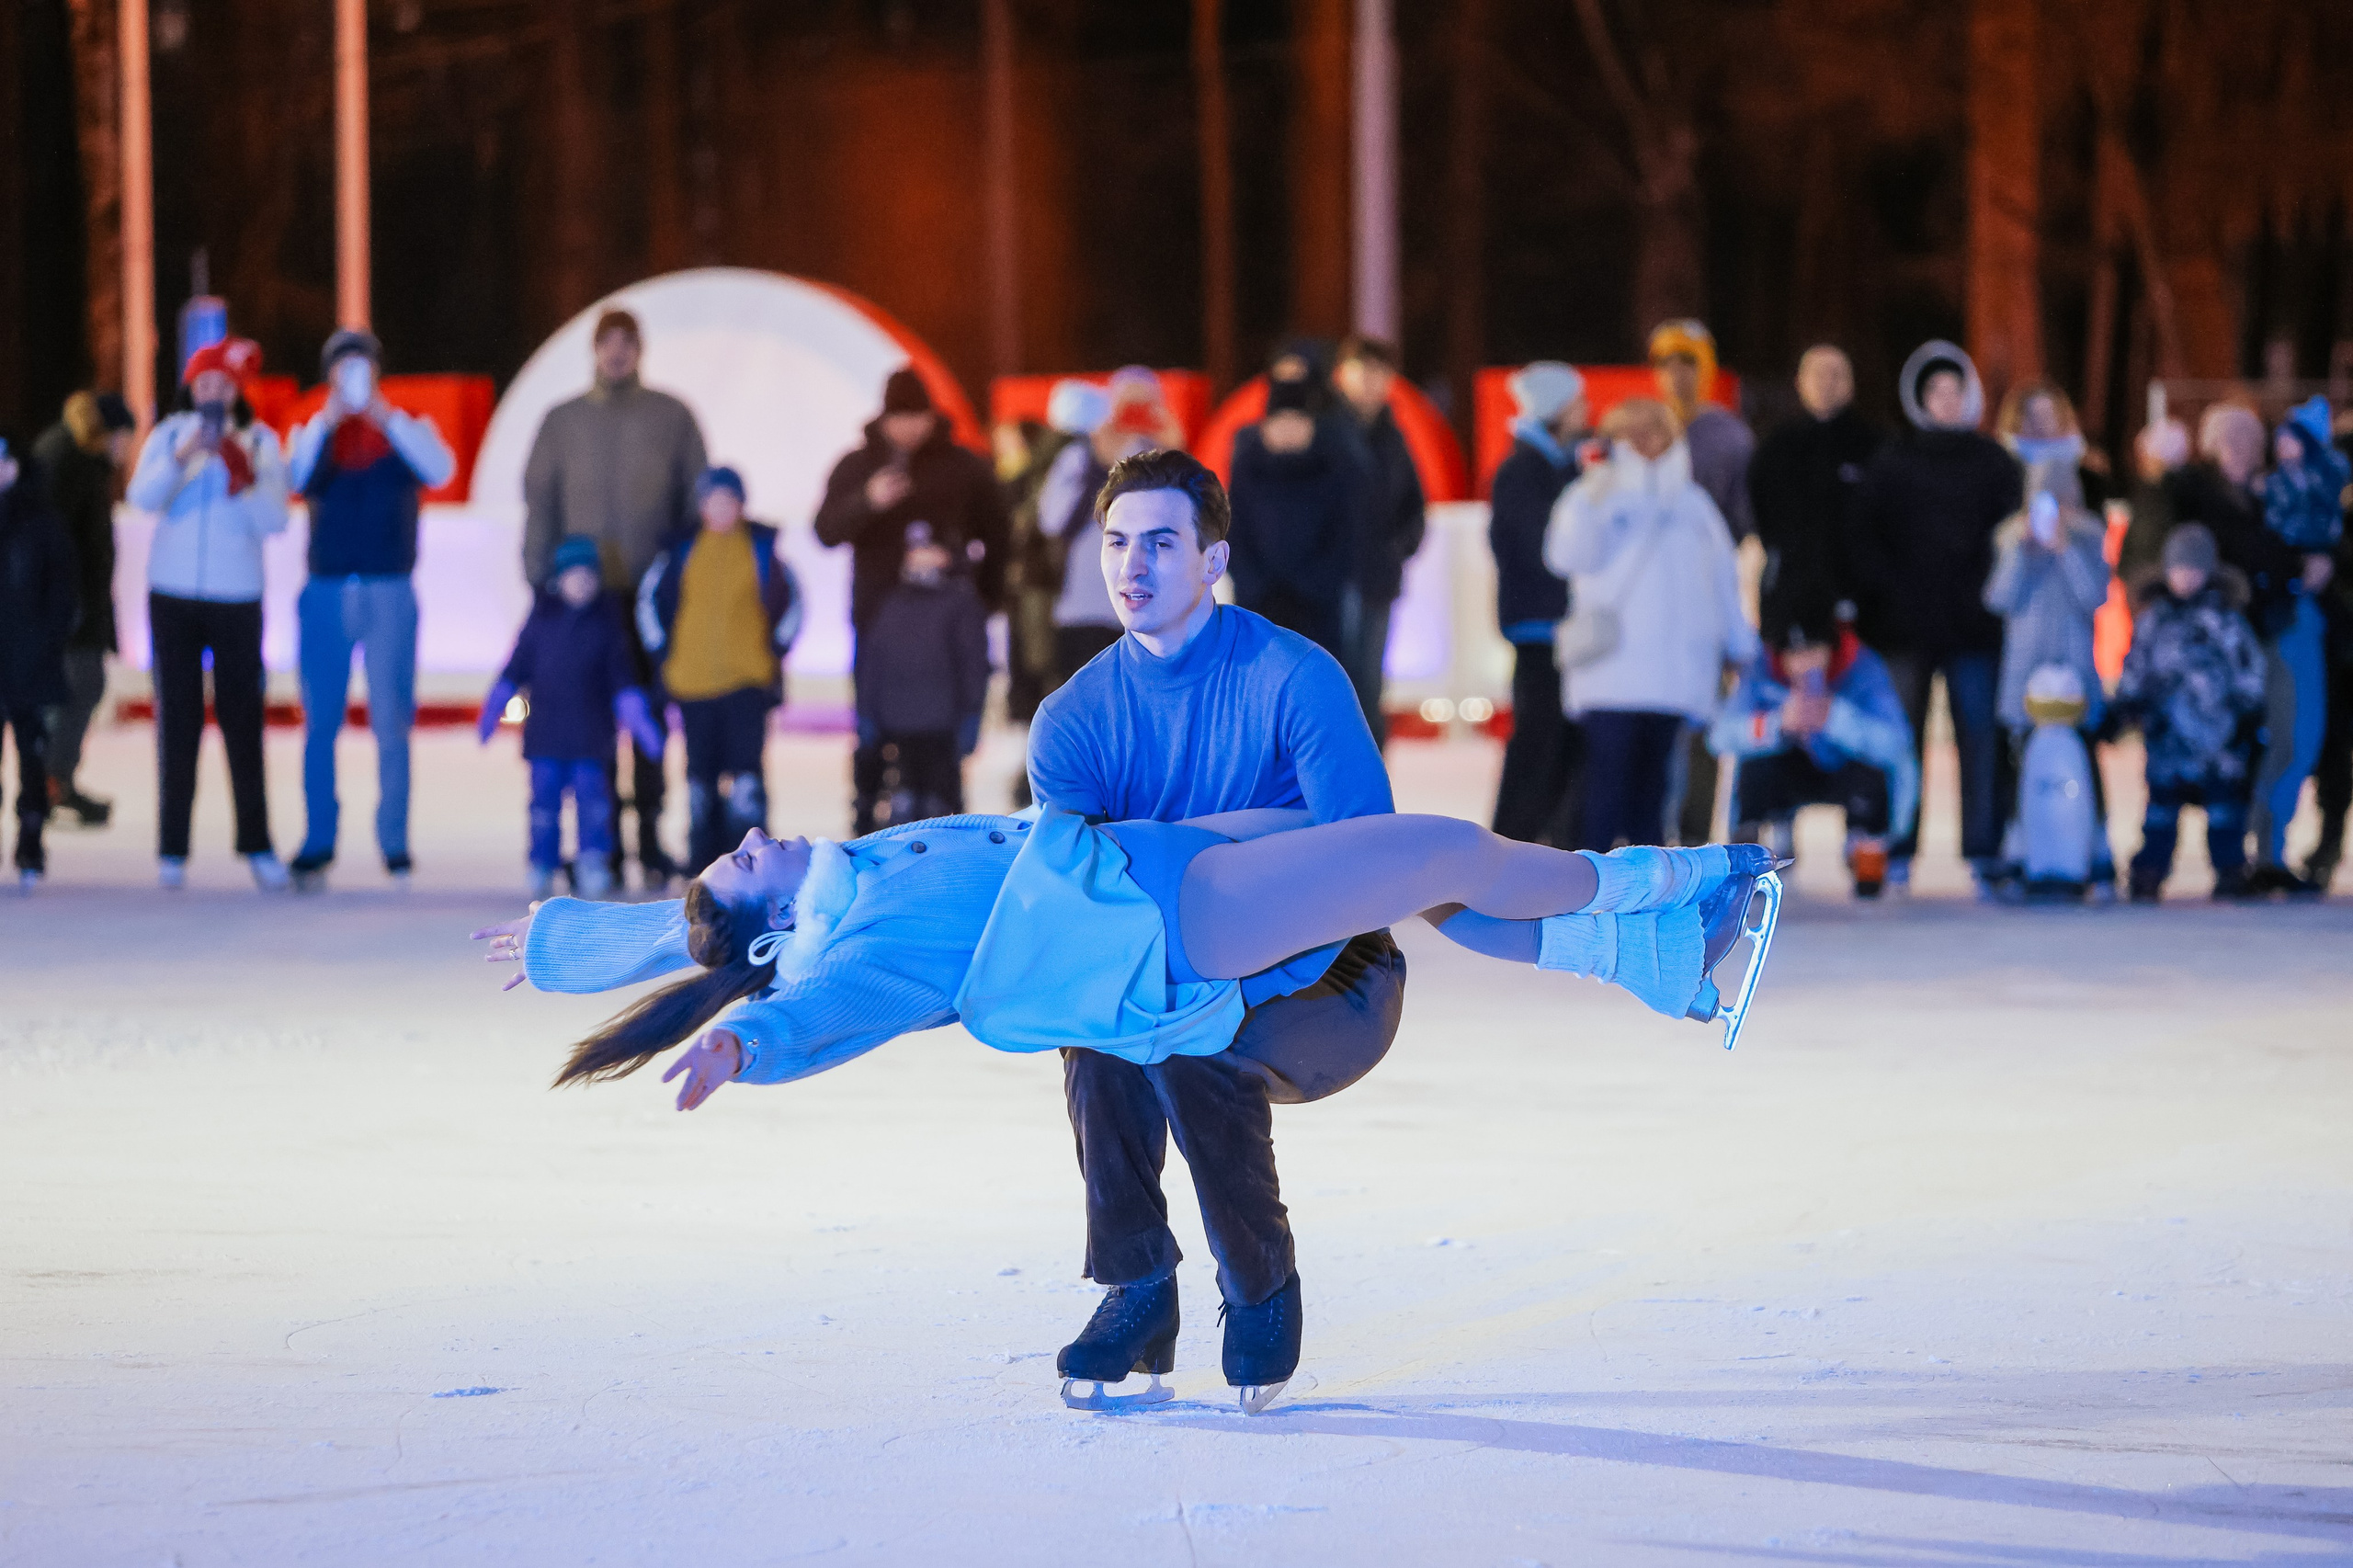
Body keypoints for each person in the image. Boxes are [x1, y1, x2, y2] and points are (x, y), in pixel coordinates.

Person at [479, 814, 1779, 1415]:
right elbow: (806, 1007)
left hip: (1158, 847)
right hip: (1174, 919)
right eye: (747, 856)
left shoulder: (852, 869)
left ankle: (1646, 954)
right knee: (1435, 853)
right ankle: (1670, 878)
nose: (755, 831)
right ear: (780, 924)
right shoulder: (866, 945)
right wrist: (740, 1045)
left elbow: (701, 931)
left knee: (1402, 858)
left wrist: (571, 942)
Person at [522, 307, 709, 891]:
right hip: (583, 597)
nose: (618, 352)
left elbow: (696, 503)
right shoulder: (563, 421)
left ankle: (649, 837)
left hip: (650, 595)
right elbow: (540, 505)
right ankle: (597, 847)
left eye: (628, 342)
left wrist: (684, 582)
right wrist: (541, 581)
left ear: (640, 349)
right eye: (609, 342)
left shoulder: (671, 417)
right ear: (595, 349)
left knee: (649, 715)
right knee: (588, 724)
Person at [284, 328, 457, 891]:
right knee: (320, 723)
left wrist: (384, 416)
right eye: (343, 367)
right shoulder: (314, 431)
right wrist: (330, 419)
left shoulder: (405, 427)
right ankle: (318, 839)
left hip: (390, 588)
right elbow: (294, 477)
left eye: (362, 366)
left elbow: (440, 469)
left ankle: (394, 841)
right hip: (327, 589)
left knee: (392, 721)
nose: (353, 377)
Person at [1847, 340, 2022, 897]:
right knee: (1901, 741)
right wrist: (1885, 597)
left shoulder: (1994, 463)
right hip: (1904, 629)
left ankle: (1985, 849)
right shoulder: (1892, 462)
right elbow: (1866, 538)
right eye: (1936, 391)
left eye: (1955, 391)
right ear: (1919, 398)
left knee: (1981, 739)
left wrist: (1988, 597)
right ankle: (1896, 846)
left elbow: (2010, 539)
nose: (1946, 400)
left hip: (1975, 628)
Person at [1544, 397, 1756, 853]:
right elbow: (1564, 556)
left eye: (1653, 430)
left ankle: (1651, 887)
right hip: (1610, 672)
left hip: (1672, 676)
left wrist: (1739, 644)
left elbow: (1723, 578)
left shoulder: (1694, 504)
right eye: (1631, 431)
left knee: (1654, 794)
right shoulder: (1593, 494)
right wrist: (1592, 499)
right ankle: (1594, 883)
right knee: (1604, 791)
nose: (1643, 441)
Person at [126, 336, 291, 892]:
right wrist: (183, 457)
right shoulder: (169, 436)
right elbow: (143, 499)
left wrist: (241, 474)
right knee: (177, 721)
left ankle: (257, 844)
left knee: (243, 721)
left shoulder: (261, 441)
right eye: (203, 383)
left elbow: (274, 521)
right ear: (190, 388)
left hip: (236, 596)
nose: (213, 393)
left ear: (237, 389)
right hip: (172, 595)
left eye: (223, 383)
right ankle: (172, 848)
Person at [814, 368, 1009, 827]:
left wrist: (980, 595)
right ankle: (867, 825)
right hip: (877, 624)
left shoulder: (962, 467)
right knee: (873, 733)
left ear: (930, 416)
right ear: (883, 419)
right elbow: (826, 531)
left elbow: (999, 534)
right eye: (899, 419)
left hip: (944, 630)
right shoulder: (858, 466)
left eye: (916, 417)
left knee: (942, 739)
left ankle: (946, 831)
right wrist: (867, 500)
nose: (908, 429)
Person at [2165, 404, 2325, 895]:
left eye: (2250, 438)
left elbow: (2315, 533)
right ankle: (2231, 859)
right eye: (2230, 438)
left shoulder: (2278, 496)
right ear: (2211, 445)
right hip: (2218, 645)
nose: (2241, 447)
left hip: (2275, 629)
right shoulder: (2192, 493)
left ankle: (2270, 850)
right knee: (2229, 751)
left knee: (2288, 739)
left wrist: (2316, 561)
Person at [481, 535, 665, 899]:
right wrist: (494, 705)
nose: (582, 583)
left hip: (590, 739)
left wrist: (640, 721)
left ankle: (592, 860)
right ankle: (542, 861)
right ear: (559, 579)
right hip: (545, 737)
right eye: (574, 576)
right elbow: (517, 666)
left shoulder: (607, 625)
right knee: (543, 806)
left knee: (593, 805)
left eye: (589, 576)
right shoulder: (541, 621)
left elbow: (622, 679)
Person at [636, 467, 801, 875]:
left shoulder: (760, 550)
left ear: (742, 505)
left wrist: (773, 652)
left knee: (747, 772)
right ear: (702, 506)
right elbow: (650, 603)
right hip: (693, 683)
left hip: (747, 681)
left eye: (730, 500)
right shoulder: (680, 552)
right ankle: (703, 857)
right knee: (700, 773)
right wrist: (665, 655)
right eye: (714, 500)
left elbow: (792, 603)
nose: (722, 509)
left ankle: (753, 857)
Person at [1711, 593, 1916, 898]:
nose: (1804, 663)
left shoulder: (1862, 666)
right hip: (1788, 767)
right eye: (1794, 653)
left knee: (1871, 778)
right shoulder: (1761, 668)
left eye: (1813, 650)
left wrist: (1835, 718)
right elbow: (1719, 737)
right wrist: (1775, 724)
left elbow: (1897, 745)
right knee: (1755, 770)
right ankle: (1750, 857)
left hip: (1845, 768)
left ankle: (1867, 856)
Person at [2109, 525, 2268, 901]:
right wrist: (2127, 705)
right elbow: (2137, 666)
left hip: (2218, 741)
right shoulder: (2154, 621)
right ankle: (2149, 871)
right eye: (2179, 569)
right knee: (2160, 812)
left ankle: (2230, 869)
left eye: (2194, 570)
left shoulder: (2225, 620)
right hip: (2168, 740)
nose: (2186, 578)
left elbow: (2248, 666)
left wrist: (2248, 713)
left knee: (2225, 811)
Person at [1983, 461, 2116, 894]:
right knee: (2021, 762)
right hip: (2026, 675)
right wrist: (2022, 553)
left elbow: (2094, 596)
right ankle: (2021, 849)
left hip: (2075, 671)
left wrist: (2065, 549)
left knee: (2084, 759)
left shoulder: (2089, 536)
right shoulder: (2011, 537)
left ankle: (2095, 849)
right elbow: (1999, 598)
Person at [1650, 320, 1756, 845]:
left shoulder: (1728, 438)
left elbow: (1742, 522)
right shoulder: (1639, 429)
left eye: (1687, 362)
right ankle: (1646, 835)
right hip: (1647, 606)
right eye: (1666, 363)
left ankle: (1692, 838)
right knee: (1648, 722)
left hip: (1704, 603)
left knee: (1702, 724)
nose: (1676, 375)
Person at [1488, 361, 1588, 845]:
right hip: (1540, 626)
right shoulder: (1525, 470)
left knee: (1558, 742)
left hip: (1553, 624)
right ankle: (1511, 845)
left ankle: (1542, 845)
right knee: (1539, 741)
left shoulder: (1556, 466)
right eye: (1578, 403)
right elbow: (1539, 550)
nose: (1587, 411)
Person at [30, 391, 137, 829]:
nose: (127, 450)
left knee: (77, 688)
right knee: (80, 686)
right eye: (126, 438)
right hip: (66, 605)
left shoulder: (78, 457)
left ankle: (54, 778)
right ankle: (49, 781)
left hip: (74, 602)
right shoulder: (69, 459)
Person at [847, 525, 989, 833]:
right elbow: (872, 662)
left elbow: (973, 665)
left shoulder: (961, 604)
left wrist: (971, 714)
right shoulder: (889, 603)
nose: (922, 559)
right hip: (896, 728)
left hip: (941, 729)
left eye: (930, 550)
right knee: (901, 811)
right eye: (915, 551)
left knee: (940, 813)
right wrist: (867, 713)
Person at [1746, 346, 1880, 653]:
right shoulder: (1775, 448)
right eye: (1818, 374)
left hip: (1861, 606)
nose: (1826, 383)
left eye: (1836, 375)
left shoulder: (1874, 447)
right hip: (1791, 601)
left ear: (1851, 384)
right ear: (1800, 382)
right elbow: (1760, 515)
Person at [1331, 335, 1428, 743]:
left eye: (1381, 372)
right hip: (1330, 580)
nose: (1373, 381)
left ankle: (1368, 771)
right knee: (1332, 682)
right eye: (1364, 370)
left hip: (1377, 578)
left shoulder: (1393, 437)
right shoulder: (1325, 429)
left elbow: (1413, 505)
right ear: (1342, 374)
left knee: (1369, 685)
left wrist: (1397, 548)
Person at [1226, 372, 1359, 662]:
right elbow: (1234, 535)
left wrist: (1309, 586)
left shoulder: (1332, 469)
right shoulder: (1246, 470)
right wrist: (1258, 586)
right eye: (1280, 420)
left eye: (1297, 420)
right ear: (1265, 426)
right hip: (1257, 610)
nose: (1288, 429)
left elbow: (1343, 538)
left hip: (1318, 614)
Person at [0, 439, 75, 888]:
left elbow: (62, 591)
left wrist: (45, 643)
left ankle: (30, 838)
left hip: (30, 661)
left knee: (32, 754)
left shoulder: (42, 522)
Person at [1995, 379, 2112, 512]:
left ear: (2062, 417)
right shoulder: (2001, 465)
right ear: (2015, 419)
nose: (2041, 425)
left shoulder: (2087, 466)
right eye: (2032, 416)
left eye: (2047, 415)